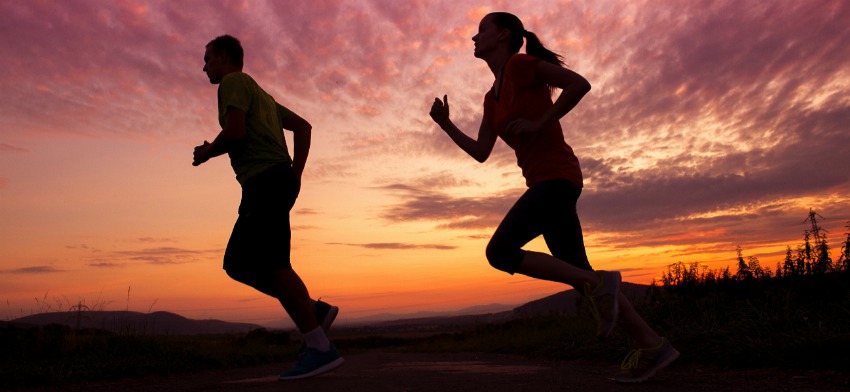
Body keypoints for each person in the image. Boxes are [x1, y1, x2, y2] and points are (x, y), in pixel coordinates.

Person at [429, 12, 679, 383]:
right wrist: (446, 124)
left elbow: (579, 84)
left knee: (500, 252)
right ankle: (654, 345)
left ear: (505, 36)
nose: (474, 37)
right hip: (543, 183)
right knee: (579, 272)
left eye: (482, 30)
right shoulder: (490, 98)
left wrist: (539, 122)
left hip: (557, 178)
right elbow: (482, 151)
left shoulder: (520, 65)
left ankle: (601, 287)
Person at [193, 35, 343, 380]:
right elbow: (303, 127)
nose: (203, 66)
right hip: (274, 181)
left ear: (225, 58)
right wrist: (296, 174)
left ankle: (320, 346)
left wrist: (206, 153)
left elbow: (235, 132)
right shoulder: (261, 96)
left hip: (265, 181)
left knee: (271, 264)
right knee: (240, 263)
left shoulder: (233, 82)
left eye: (207, 59)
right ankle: (314, 314)